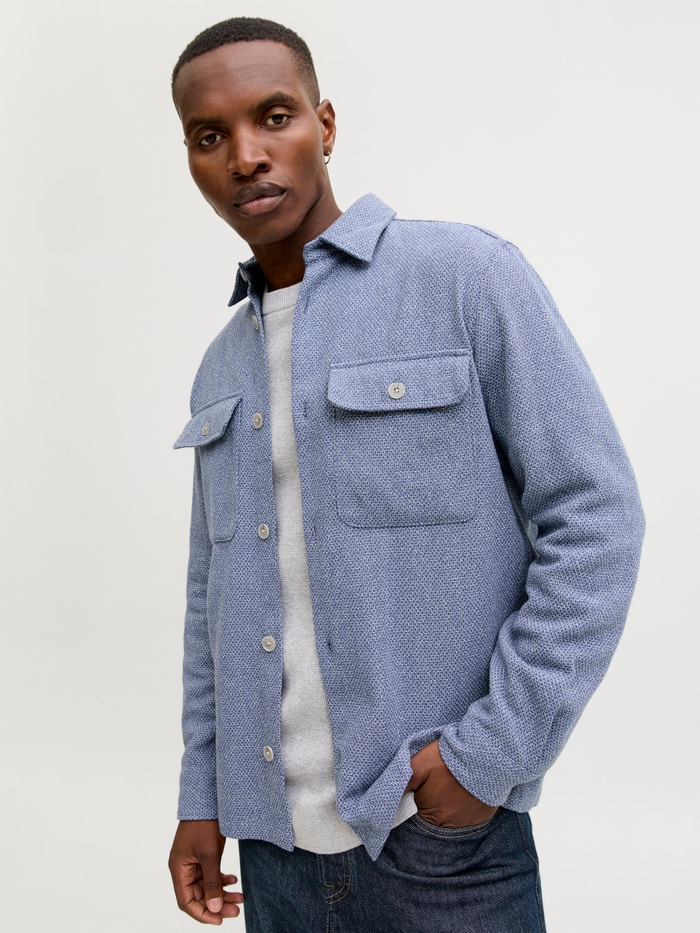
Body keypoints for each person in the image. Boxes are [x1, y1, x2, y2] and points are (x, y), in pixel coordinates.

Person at [167, 17, 644, 932]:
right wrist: (203, 792)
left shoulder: (466, 277)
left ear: (326, 124)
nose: (246, 156)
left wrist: (489, 755)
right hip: (271, 851)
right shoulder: (221, 366)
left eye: (275, 117)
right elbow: (211, 599)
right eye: (209, 135)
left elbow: (597, 517)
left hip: (439, 845)